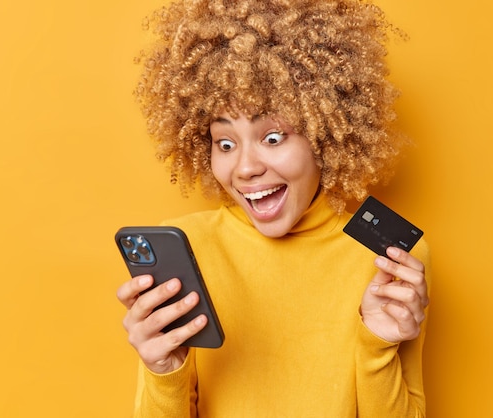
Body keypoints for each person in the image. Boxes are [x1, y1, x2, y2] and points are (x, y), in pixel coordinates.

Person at [116, 0, 431, 416]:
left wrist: (378, 348)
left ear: (325, 135)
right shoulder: (190, 250)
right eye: (225, 144)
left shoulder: (385, 259)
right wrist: (163, 372)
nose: (246, 168)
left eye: (273, 137)